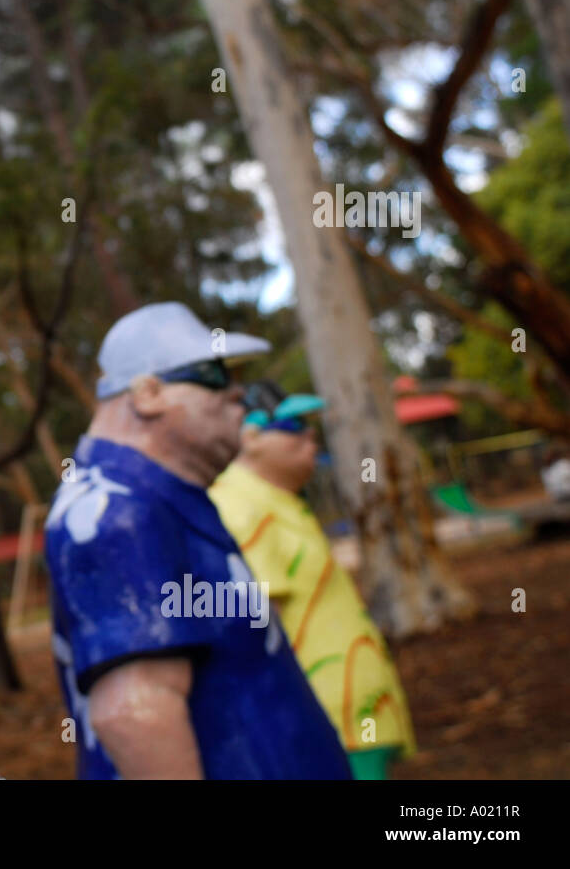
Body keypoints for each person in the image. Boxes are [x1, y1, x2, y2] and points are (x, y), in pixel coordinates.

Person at [45, 303, 351, 779]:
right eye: (212, 375)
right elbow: (133, 712)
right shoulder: (117, 513)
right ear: (148, 393)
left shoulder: (162, 499)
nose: (238, 395)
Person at [209, 381, 416, 780]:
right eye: (292, 428)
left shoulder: (278, 500)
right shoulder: (243, 507)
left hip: (354, 708)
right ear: (251, 438)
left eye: (309, 428)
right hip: (324, 719)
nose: (309, 437)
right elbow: (256, 625)